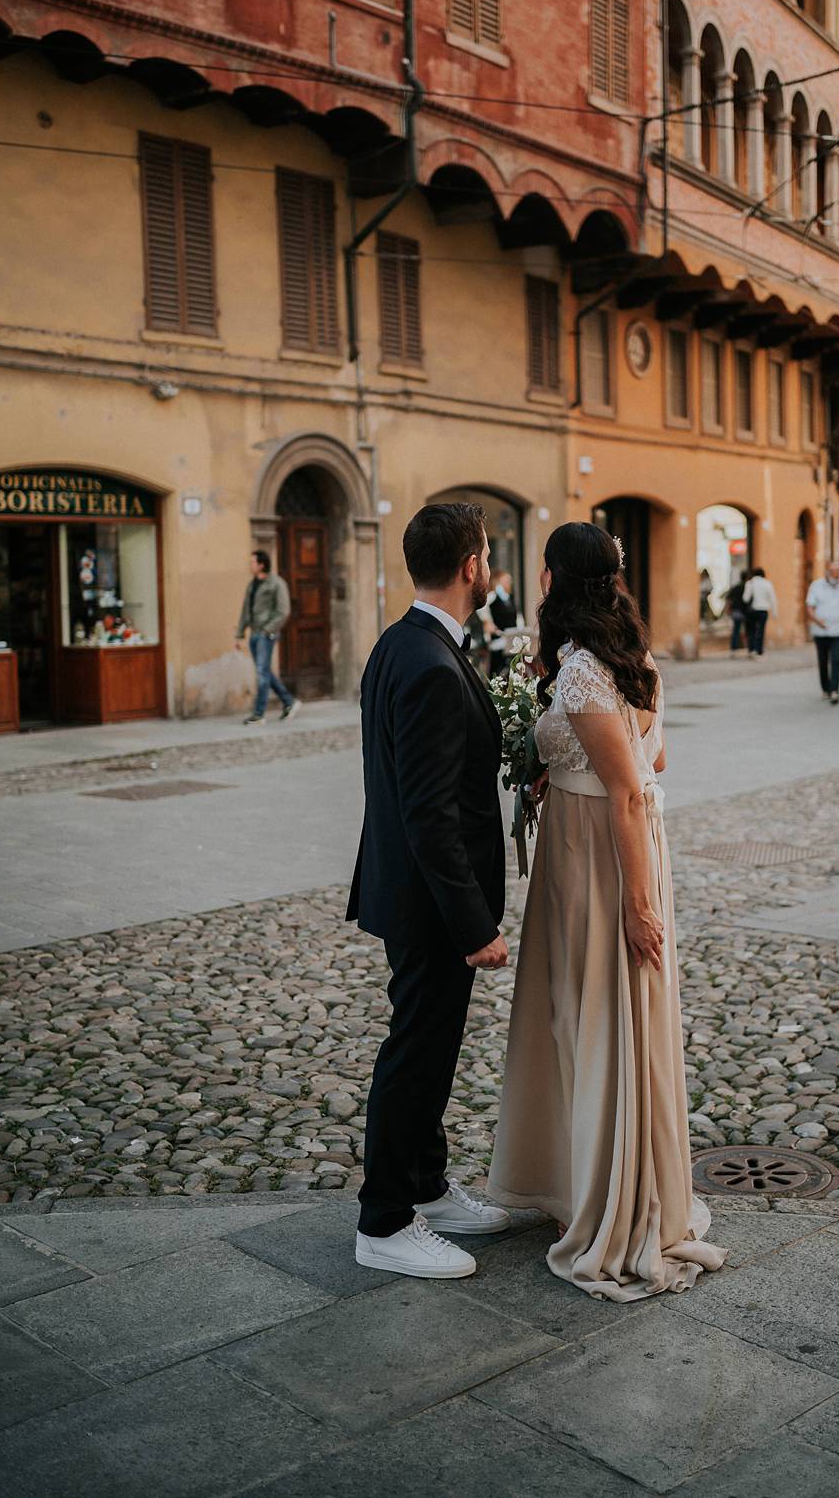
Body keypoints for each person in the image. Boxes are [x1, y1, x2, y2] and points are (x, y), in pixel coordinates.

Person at [488, 522, 727, 1300]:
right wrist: (559, 767)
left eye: (545, 569)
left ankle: (608, 1207)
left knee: (589, 1013)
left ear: (558, 577)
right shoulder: (630, 658)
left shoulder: (586, 670)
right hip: (593, 843)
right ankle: (580, 1177)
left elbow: (628, 788)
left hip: (597, 859)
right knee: (587, 1015)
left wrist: (639, 905)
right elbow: (654, 757)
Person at [348, 503, 511, 1280]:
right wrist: (474, 923)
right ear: (470, 565)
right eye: (485, 555)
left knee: (432, 1045)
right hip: (429, 902)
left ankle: (428, 1187)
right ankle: (383, 1221)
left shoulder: (402, 644)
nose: (489, 567)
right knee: (415, 1052)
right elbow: (429, 814)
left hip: (410, 891)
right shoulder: (429, 665)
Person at [235, 550, 297, 726]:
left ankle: (259, 714)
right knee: (265, 672)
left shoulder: (276, 583)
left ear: (262, 564)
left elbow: (283, 611)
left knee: (262, 674)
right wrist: (239, 634)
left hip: (266, 635)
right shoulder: (252, 585)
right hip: (255, 634)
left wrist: (267, 629)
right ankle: (289, 702)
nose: (250, 566)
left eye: (252, 562)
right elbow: (245, 610)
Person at [806, 561, 839, 704]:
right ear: (827, 572)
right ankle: (826, 688)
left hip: (838, 631)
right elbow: (810, 607)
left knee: (836, 660)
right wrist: (817, 621)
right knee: (823, 661)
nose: (837, 575)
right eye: (834, 572)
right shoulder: (816, 586)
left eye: (838, 572)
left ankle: (835, 690)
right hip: (821, 631)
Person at [484, 569, 520, 679]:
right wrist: (487, 622)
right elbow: (482, 608)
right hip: (499, 638)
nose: (509, 583)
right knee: (497, 669)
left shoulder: (510, 598)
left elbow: (517, 616)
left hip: (511, 637)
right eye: (506, 580)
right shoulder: (493, 596)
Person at [742, 566, 778, 656]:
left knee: (752, 630)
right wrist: (774, 612)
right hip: (763, 610)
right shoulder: (768, 584)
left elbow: (745, 599)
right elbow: (773, 599)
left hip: (753, 610)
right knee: (761, 630)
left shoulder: (750, 583)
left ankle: (752, 649)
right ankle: (759, 650)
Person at [725, 568, 750, 653]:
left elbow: (729, 598)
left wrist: (728, 609)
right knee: (748, 630)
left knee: (736, 630)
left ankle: (734, 649)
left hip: (736, 611)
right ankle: (749, 648)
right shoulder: (748, 587)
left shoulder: (736, 587)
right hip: (746, 612)